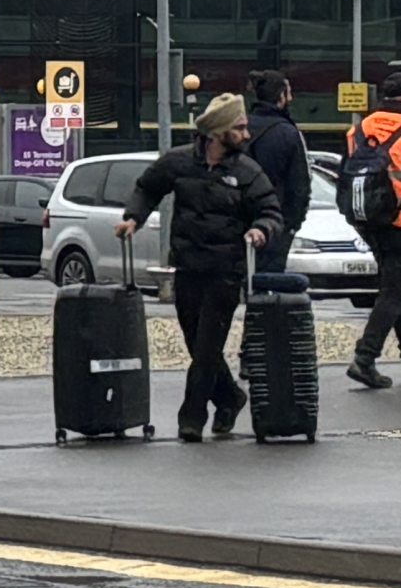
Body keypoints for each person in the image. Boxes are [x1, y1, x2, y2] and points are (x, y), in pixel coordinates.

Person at [122, 91, 285, 440]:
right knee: (196, 343)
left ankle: (191, 418)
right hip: (187, 266)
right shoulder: (179, 163)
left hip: (226, 271)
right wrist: (133, 218)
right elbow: (148, 188)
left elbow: (270, 211)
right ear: (217, 133)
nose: (246, 134)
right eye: (239, 128)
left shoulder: (247, 171)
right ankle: (230, 397)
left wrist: (261, 230)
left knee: (208, 344)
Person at [343, 64, 401, 390]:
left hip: (370, 221)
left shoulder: (358, 130)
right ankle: (364, 358)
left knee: (396, 287)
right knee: (394, 290)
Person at [240, 72, 314, 254]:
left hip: (238, 221)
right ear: (281, 96)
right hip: (275, 223)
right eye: (289, 93)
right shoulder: (288, 133)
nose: (291, 97)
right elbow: (299, 183)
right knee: (270, 279)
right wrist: (292, 224)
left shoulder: (239, 128)